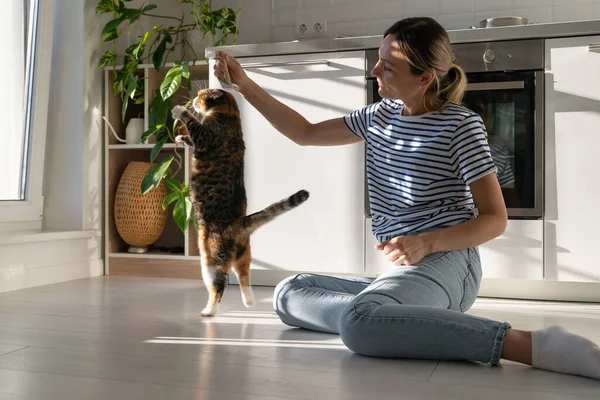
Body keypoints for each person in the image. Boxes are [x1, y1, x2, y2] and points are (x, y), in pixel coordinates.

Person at [213, 17, 600, 380]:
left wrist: (425, 242)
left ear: (424, 78)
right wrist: (243, 83)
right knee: (288, 293)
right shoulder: (380, 116)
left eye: (387, 67)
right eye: (379, 62)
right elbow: (305, 132)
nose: (374, 71)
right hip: (404, 269)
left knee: (358, 325)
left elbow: (495, 219)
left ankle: (534, 345)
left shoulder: (460, 125)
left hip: (449, 262)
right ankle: (390, 312)